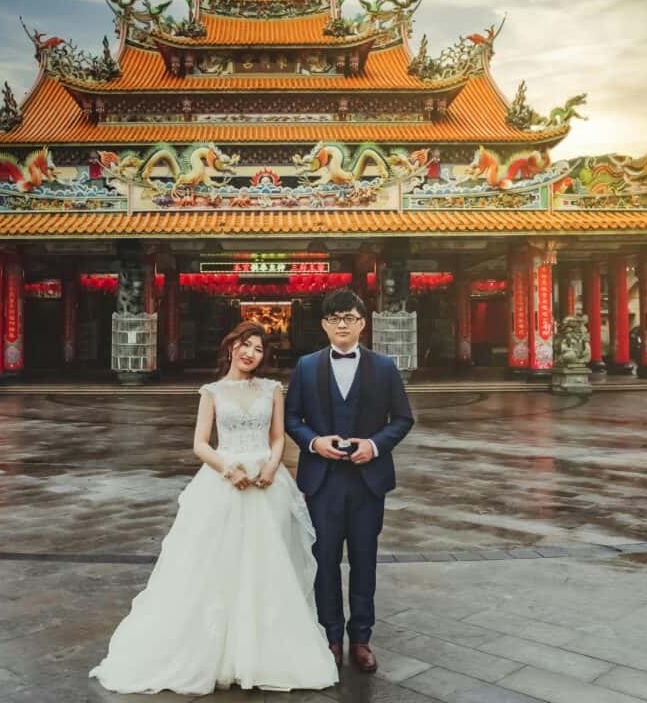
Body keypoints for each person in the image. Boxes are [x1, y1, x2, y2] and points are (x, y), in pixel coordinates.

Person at [89, 321, 338, 694]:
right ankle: (213, 650)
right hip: (224, 480)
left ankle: (263, 651)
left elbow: (277, 437)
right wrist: (227, 468)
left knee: (266, 562)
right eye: (244, 344)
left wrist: (272, 467)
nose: (249, 352)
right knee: (213, 561)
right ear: (230, 346)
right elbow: (201, 444)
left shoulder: (272, 389)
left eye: (257, 348)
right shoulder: (212, 392)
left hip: (265, 483)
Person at [285, 289, 414, 674]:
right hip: (322, 482)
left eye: (350, 318)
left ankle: (361, 638)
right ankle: (330, 636)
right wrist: (313, 442)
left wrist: (374, 446)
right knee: (323, 561)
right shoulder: (306, 367)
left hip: (367, 482)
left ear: (362, 323)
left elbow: (403, 419)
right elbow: (292, 418)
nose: (342, 324)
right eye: (335, 318)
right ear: (324, 324)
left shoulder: (385, 368)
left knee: (364, 560)